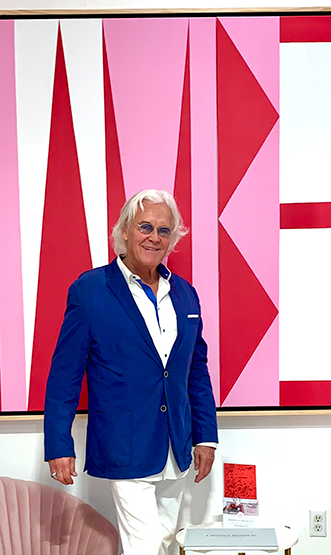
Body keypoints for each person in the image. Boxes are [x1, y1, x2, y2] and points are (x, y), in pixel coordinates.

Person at [44, 189, 218, 555]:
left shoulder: (185, 294)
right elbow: (65, 374)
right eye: (145, 226)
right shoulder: (90, 291)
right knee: (145, 545)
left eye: (164, 230)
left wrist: (206, 436)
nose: (154, 237)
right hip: (125, 442)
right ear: (124, 231)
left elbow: (194, 371)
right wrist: (59, 442)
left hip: (177, 444)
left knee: (166, 540)